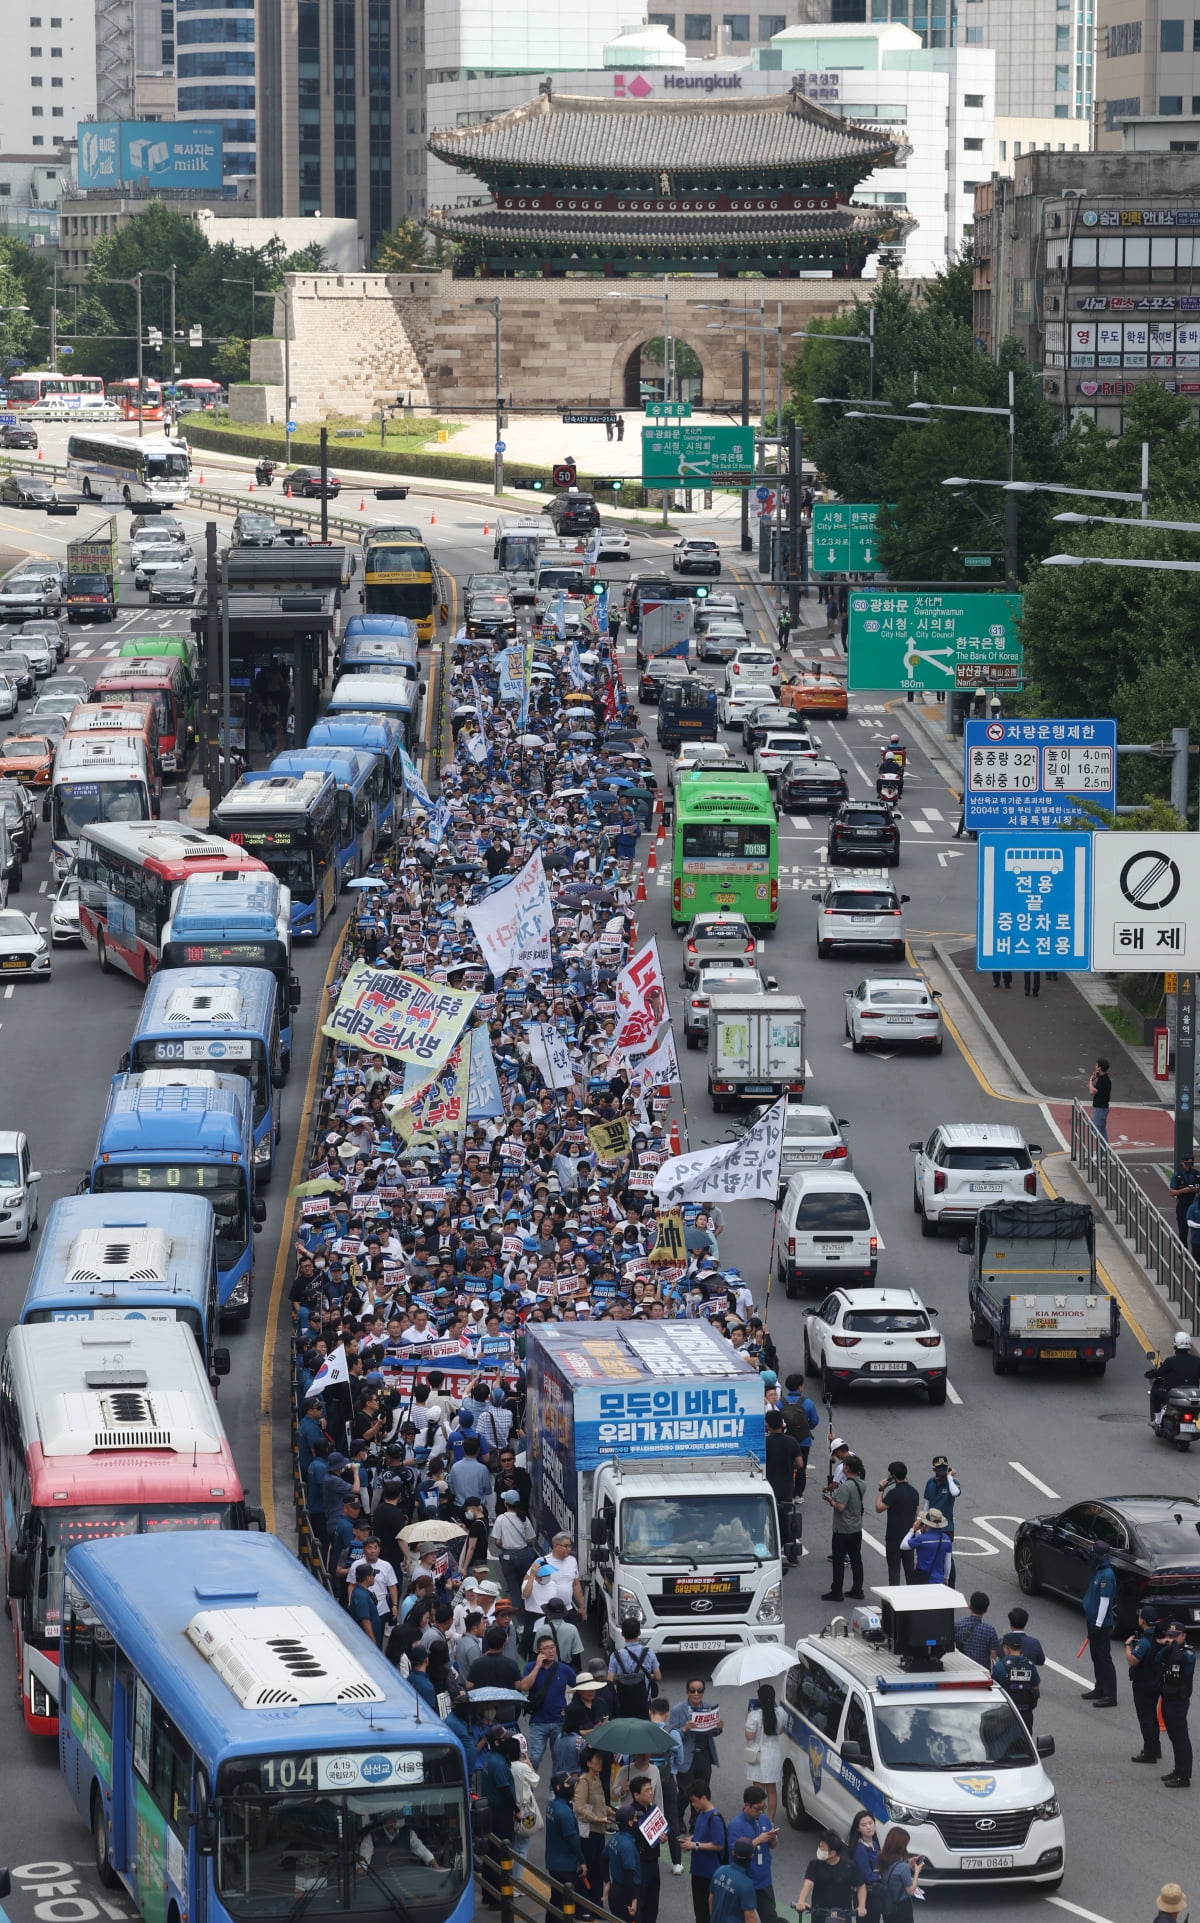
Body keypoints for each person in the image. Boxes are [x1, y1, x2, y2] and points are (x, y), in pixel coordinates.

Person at [519, 1632, 577, 1771]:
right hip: (538, 1721)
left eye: (552, 1647)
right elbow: (524, 1686)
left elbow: (579, 1688)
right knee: (535, 1757)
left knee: (558, 1758)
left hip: (559, 1720)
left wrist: (571, 1707)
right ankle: (529, 1789)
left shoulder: (564, 1669)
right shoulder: (531, 1667)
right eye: (546, 1648)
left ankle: (554, 1790)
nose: (550, 1651)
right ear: (539, 1651)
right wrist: (537, 1666)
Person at [728, 1784, 779, 1923]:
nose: (760, 1812)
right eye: (757, 1809)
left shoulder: (764, 1820)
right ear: (747, 1805)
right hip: (744, 1880)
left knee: (770, 1918)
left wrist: (773, 1838)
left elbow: (773, 1846)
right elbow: (734, 1852)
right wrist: (757, 1840)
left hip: (764, 1879)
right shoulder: (735, 1825)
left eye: (763, 1808)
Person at [668, 1677, 723, 1801]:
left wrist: (718, 1727)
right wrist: (684, 1729)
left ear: (703, 1692)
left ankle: (696, 1819)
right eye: (692, 1691)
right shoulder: (678, 1710)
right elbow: (670, 1735)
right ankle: (678, 1817)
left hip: (704, 1756)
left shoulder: (709, 1707)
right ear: (687, 1692)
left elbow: (712, 1732)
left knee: (702, 1791)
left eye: (699, 1690)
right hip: (685, 1756)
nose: (696, 1694)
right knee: (685, 1792)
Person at [822, 1451, 866, 1602]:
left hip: (842, 1529)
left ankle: (837, 1591)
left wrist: (830, 1500)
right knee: (856, 1558)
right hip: (856, 1527)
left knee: (838, 1560)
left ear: (847, 1469)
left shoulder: (845, 1487)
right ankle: (857, 1589)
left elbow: (840, 1507)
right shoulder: (862, 1483)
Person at [681, 1780, 727, 1922]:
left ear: (704, 1798)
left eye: (694, 1801)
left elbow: (719, 1845)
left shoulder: (715, 1819)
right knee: (699, 1911)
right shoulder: (701, 1815)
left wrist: (695, 1845)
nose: (693, 1805)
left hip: (710, 1873)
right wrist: (691, 1840)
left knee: (708, 1912)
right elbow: (701, 1834)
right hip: (698, 1871)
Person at [796, 1832, 867, 1923]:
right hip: (820, 1914)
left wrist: (861, 1906)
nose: (819, 1849)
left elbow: (861, 1886)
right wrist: (801, 1901)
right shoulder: (814, 1865)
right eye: (819, 1846)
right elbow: (808, 1883)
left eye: (822, 1848)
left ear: (832, 1852)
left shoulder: (849, 1866)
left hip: (843, 1916)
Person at [1157, 1618, 1195, 1788]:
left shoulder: (1187, 1653)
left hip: (1179, 1701)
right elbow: (1158, 1658)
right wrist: (1166, 1646)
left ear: (1184, 1636)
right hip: (1167, 1698)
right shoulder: (1169, 1649)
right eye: (1170, 1635)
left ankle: (1184, 1777)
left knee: (1181, 1739)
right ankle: (1177, 1770)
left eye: (1176, 1636)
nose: (1172, 1638)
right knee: (1173, 1737)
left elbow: (1182, 1660)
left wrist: (1172, 1647)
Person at [1081, 1539, 1119, 1707]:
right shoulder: (1100, 1570)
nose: (1092, 1555)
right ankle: (1100, 1687)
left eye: (1094, 1553)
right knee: (1096, 1657)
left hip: (1101, 1625)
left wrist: (1097, 1624)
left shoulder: (1107, 1575)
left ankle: (1110, 1695)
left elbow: (1104, 1602)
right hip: (1093, 1622)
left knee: (1104, 1659)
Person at [764, 1410, 804, 1566]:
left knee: (769, 1520)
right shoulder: (791, 1441)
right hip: (787, 1487)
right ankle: (792, 1556)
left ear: (767, 1425)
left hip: (769, 1487)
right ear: (782, 1424)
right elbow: (800, 1464)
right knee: (789, 1521)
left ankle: (771, 1552)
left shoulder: (765, 1443)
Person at [1127, 1604, 1164, 1764]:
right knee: (1152, 1717)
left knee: (1146, 1719)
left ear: (1142, 1620)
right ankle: (1155, 1748)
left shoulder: (1144, 1640)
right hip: (1156, 1682)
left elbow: (1133, 1660)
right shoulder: (1158, 1636)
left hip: (1143, 1684)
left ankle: (1149, 1753)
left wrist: (1127, 1646)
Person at [573, 1746, 613, 1890]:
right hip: (588, 1833)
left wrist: (609, 1811)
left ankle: (596, 1904)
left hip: (599, 1831)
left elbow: (600, 1803)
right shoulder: (583, 1782)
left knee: (598, 1870)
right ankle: (585, 1906)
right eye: (598, 1759)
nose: (601, 1761)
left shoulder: (597, 1779)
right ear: (588, 1763)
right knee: (589, 1870)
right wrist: (596, 1818)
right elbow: (579, 1807)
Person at [609, 1615, 662, 1717]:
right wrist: (648, 1676)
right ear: (639, 1633)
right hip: (644, 1700)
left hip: (623, 1700)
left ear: (622, 1634)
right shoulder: (649, 1652)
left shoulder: (615, 1656)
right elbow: (658, 1676)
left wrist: (622, 1677)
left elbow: (610, 1680)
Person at [628, 1774, 664, 1923]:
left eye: (651, 1789)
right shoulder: (630, 1814)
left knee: (652, 1904)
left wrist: (663, 1837)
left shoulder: (653, 1809)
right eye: (647, 1791)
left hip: (653, 1862)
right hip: (640, 1865)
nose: (651, 1793)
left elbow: (660, 1832)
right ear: (636, 1795)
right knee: (639, 1904)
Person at [875, 1462, 919, 1584]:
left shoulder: (893, 1494)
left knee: (894, 1572)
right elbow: (915, 1514)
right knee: (910, 1571)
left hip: (894, 1538)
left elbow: (878, 1508)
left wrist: (881, 1489)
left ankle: (893, 1601)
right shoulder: (914, 1492)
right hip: (909, 1537)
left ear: (892, 1477)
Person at [743, 1684, 781, 1823]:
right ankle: (770, 1821)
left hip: (758, 1755)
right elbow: (781, 1730)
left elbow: (750, 1736)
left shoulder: (754, 1715)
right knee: (772, 1790)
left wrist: (746, 1720)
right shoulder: (780, 1712)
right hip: (773, 1755)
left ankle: (758, 1820)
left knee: (759, 1792)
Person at [546, 1771, 587, 1895]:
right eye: (569, 1784)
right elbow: (573, 1841)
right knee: (565, 1903)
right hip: (565, 1865)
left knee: (556, 1901)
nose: (573, 1787)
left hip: (553, 1861)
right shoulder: (565, 1813)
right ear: (559, 1787)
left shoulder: (552, 1805)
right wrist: (582, 1861)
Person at [992, 1633, 1040, 1732]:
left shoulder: (1000, 1666)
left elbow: (993, 1690)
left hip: (1005, 1713)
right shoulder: (1030, 1665)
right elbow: (1036, 1689)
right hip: (1025, 1715)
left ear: (1006, 1647)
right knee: (1023, 1743)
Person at [876, 1827, 922, 1923]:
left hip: (887, 1905)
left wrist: (909, 1865)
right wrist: (917, 1872)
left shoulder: (882, 1858)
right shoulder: (902, 1867)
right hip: (902, 1908)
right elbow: (910, 1891)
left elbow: (894, 1873)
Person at [604, 1807, 641, 1922]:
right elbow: (628, 1874)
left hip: (615, 1890)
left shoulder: (615, 1839)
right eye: (634, 1818)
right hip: (626, 1894)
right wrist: (633, 1899)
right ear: (630, 1823)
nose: (636, 1821)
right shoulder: (628, 1846)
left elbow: (603, 1858)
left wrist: (607, 1882)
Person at [710, 1840, 760, 1923]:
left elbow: (711, 1899)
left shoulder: (719, 1870)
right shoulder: (747, 1885)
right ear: (751, 1856)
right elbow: (750, 1918)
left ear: (733, 1852)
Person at [900, 1509, 953, 1585]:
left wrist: (912, 1529)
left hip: (923, 1580)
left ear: (927, 1524)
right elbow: (948, 1562)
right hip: (938, 1580)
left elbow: (903, 1545)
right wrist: (946, 1578)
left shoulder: (922, 1539)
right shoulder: (947, 1539)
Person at [846, 1811, 881, 1921]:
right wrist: (882, 1875)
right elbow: (867, 1876)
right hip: (865, 1895)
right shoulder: (859, 1849)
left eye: (870, 1823)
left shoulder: (875, 1844)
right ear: (858, 1829)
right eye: (864, 1825)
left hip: (875, 1894)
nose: (869, 1827)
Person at [954, 1591, 1001, 1670]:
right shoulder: (990, 1630)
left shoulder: (957, 1625)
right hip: (982, 1672)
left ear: (970, 1606)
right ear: (986, 1610)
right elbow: (994, 1656)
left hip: (961, 1668)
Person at [1170, 1157, 1198, 1245]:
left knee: (1197, 1231)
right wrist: (1182, 1191)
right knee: (1183, 1231)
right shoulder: (1177, 1175)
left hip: (1195, 1206)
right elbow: (1172, 1192)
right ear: (1182, 1163)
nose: (1188, 1166)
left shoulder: (1197, 1174)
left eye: (1190, 1164)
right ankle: (1182, 1253)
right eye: (1186, 1164)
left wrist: (1195, 1190)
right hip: (1182, 1205)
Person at [1089, 1056, 1112, 1140]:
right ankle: (1104, 1152)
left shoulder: (1103, 1080)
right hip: (1101, 1108)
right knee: (1101, 1132)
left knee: (1095, 1132)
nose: (1095, 1066)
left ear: (1100, 1067)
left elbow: (1092, 1091)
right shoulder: (1103, 1078)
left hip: (1100, 1109)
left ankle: (1103, 1152)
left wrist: (1091, 1080)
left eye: (1096, 1065)